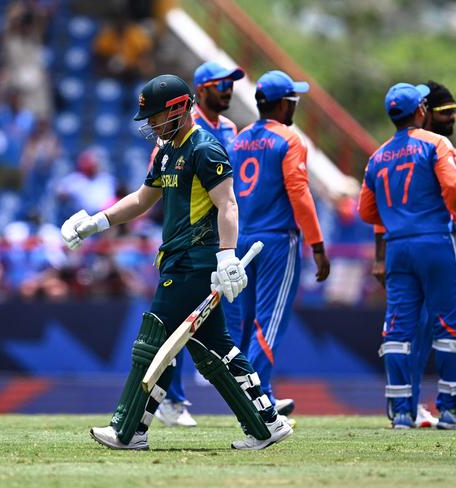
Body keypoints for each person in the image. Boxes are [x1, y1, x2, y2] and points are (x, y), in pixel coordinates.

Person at [60, 74, 292, 450]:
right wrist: (94, 223)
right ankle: (266, 423)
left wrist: (227, 256)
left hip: (194, 261)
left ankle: (127, 428)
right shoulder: (167, 153)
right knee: (217, 347)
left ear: (180, 108)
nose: (151, 124)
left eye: (155, 116)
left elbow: (228, 204)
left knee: (152, 342)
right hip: (178, 260)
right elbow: (140, 200)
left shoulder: (205, 148)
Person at [359, 82, 456, 429]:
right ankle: (451, 411)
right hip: (436, 243)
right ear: (421, 112)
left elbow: (366, 211)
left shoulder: (378, 155)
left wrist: (398, 213)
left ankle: (401, 412)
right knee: (450, 322)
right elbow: (453, 189)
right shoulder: (436, 144)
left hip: (398, 248)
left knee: (398, 328)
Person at [228, 70, 331, 419]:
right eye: (292, 101)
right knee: (269, 322)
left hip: (242, 238)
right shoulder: (288, 138)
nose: (295, 107)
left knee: (246, 322)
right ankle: (255, 398)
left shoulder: (238, 140)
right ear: (280, 104)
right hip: (276, 241)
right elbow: (299, 193)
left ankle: (260, 394)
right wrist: (317, 244)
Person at [153, 60, 246, 429]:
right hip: (188, 245)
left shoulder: (228, 129)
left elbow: (228, 198)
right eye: (221, 84)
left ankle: (263, 415)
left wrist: (227, 250)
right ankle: (169, 401)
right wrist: (101, 220)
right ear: (202, 89)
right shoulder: (175, 139)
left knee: (208, 335)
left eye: (231, 84)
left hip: (212, 246)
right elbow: (156, 190)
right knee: (173, 331)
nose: (228, 90)